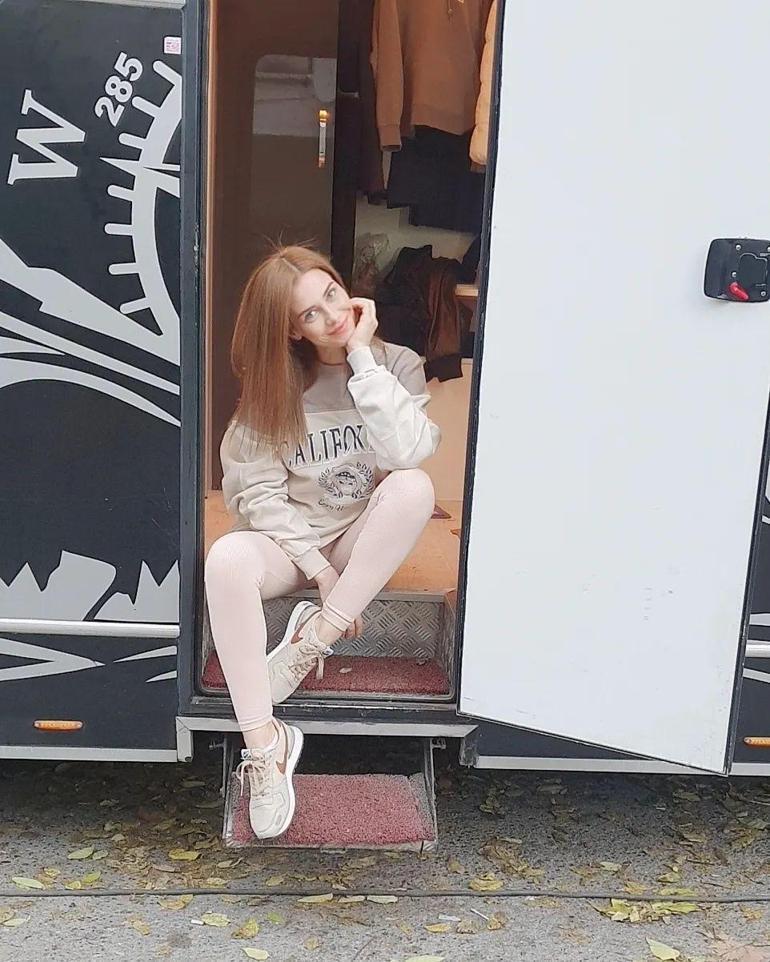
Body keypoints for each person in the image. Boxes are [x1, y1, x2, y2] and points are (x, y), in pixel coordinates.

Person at [205, 245, 441, 839]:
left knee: (413, 486)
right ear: (293, 330)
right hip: (294, 545)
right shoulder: (275, 385)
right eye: (310, 313)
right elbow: (257, 494)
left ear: (346, 288)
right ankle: (266, 746)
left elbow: (407, 451)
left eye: (332, 294)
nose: (332, 316)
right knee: (227, 559)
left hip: (360, 538)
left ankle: (315, 639)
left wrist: (362, 357)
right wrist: (318, 568)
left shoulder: (397, 363)